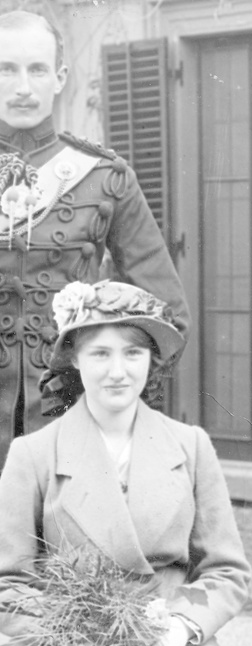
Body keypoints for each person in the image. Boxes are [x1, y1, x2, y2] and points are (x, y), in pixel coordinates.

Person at [0, 280, 250, 646]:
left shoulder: (190, 447)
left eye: (133, 353)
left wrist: (181, 628)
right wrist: (75, 632)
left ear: (152, 360)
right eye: (100, 354)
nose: (118, 371)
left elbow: (226, 572)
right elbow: (9, 584)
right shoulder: (33, 455)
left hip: (169, 642)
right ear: (74, 357)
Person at [0, 10, 190, 468]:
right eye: (6, 68)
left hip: (71, 420)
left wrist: (113, 385)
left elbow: (169, 313)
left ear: (60, 77)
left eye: (37, 69)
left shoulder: (104, 177)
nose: (23, 86)